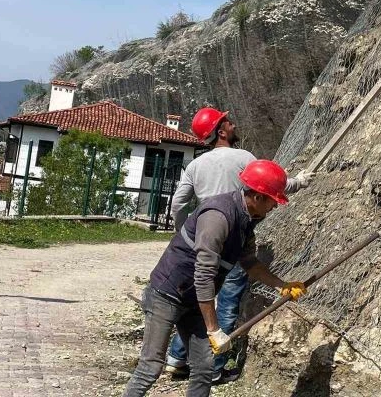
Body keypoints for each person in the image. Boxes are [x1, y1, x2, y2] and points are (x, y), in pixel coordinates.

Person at [123, 159, 307, 397]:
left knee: (203, 368)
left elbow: (250, 263)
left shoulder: (247, 220)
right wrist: (213, 329)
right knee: (151, 367)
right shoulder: (218, 217)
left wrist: (283, 285)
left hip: (192, 300)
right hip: (167, 294)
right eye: (274, 200)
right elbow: (203, 276)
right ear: (259, 196)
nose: (276, 206)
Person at [165, 107, 313, 383]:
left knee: (200, 301)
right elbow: (266, 185)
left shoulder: (196, 165)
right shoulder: (244, 158)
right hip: (235, 238)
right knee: (228, 302)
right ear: (220, 131)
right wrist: (300, 182)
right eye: (228, 123)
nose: (233, 125)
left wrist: (184, 233)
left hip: (205, 235)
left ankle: (176, 358)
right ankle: (215, 367)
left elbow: (177, 203)